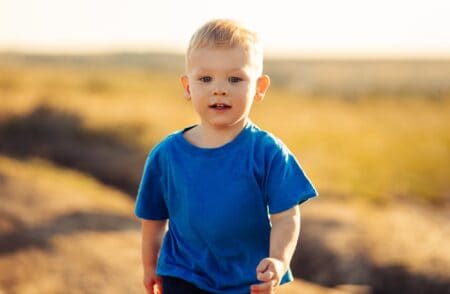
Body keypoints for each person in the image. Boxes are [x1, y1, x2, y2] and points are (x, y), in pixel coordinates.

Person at [134, 19, 318, 294]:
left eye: (235, 79)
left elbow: (286, 216)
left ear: (259, 87)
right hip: (182, 274)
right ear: (187, 86)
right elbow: (153, 217)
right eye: (205, 79)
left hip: (246, 279)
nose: (219, 89)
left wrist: (279, 260)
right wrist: (150, 266)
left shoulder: (268, 153)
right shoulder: (167, 155)